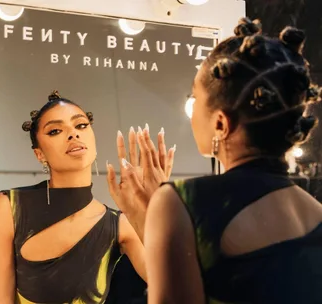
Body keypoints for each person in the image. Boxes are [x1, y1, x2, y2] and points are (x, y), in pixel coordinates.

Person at [110, 18, 322, 303]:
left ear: (221, 123)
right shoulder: (315, 212)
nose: (192, 109)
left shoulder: (184, 201)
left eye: (195, 98)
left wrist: (161, 212)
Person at [0, 90, 175, 304]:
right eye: (55, 131)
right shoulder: (9, 208)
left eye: (81, 125)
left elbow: (179, 289)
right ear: (40, 154)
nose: (73, 134)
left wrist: (153, 210)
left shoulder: (119, 225)